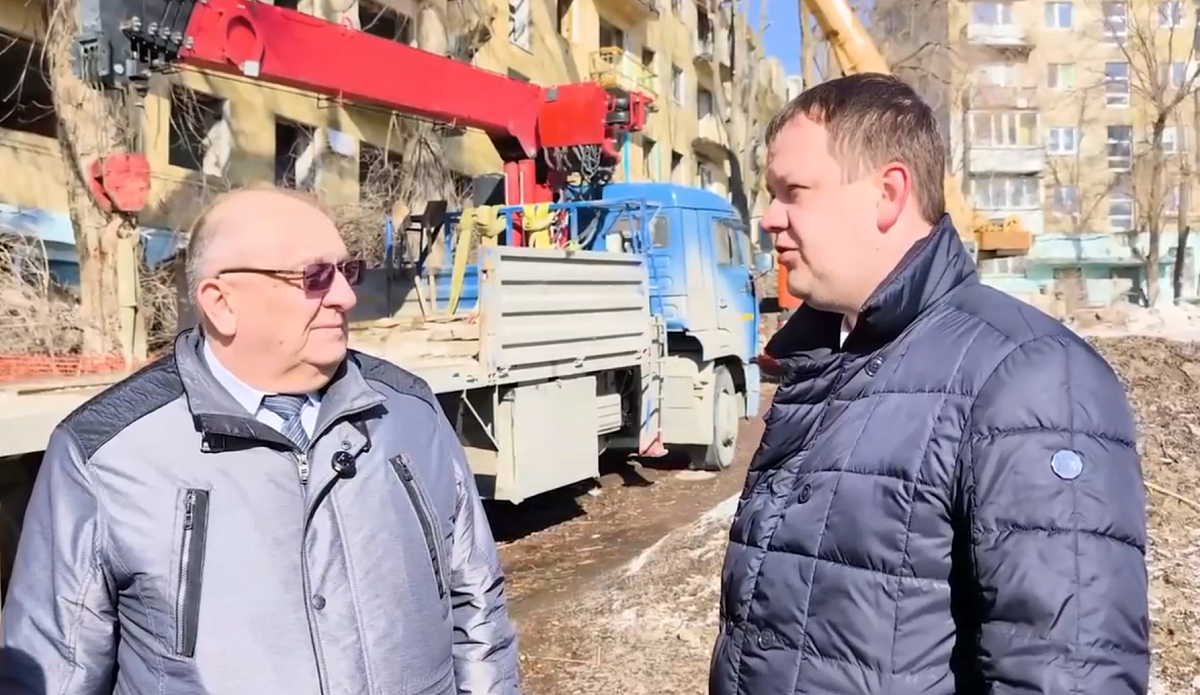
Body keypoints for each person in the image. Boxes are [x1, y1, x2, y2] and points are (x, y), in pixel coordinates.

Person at [710, 73, 1150, 694]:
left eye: (793, 192)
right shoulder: (829, 358)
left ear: (888, 193)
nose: (769, 219)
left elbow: (1069, 675)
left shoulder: (1033, 377)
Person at [0, 186, 521, 695]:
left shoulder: (408, 412)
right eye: (315, 276)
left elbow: (477, 607)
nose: (345, 296)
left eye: (347, 270)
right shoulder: (105, 455)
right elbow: (54, 669)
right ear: (221, 302)